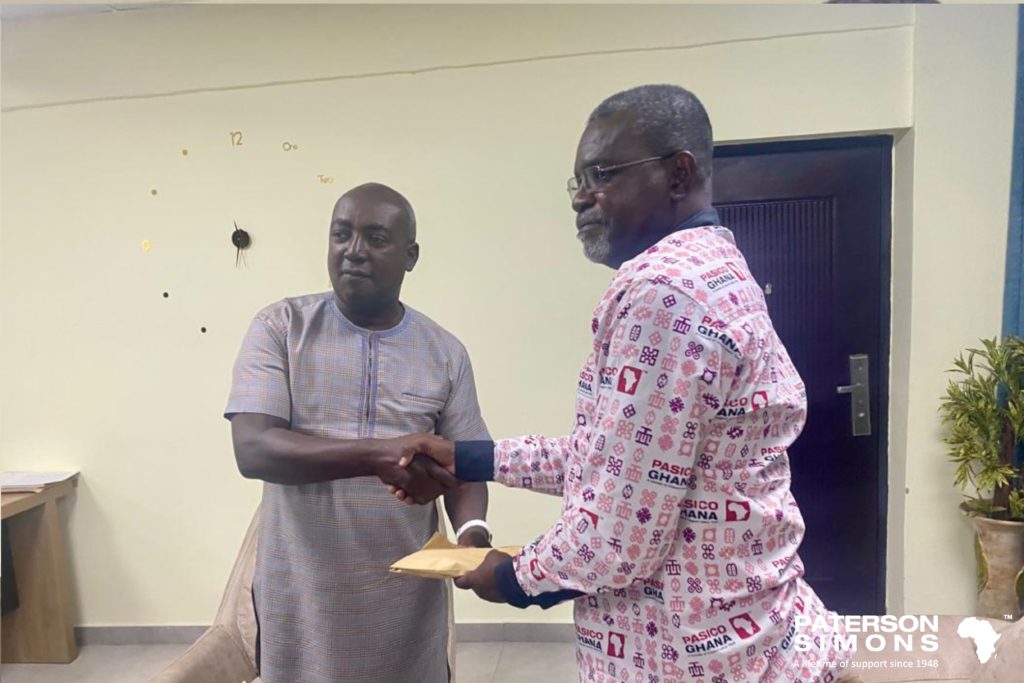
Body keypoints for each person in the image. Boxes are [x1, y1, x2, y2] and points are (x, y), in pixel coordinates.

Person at [397, 85, 852, 682]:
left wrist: (506, 577)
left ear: (678, 173)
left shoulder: (662, 292)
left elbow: (617, 535)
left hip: (687, 659)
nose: (582, 198)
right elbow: (622, 464)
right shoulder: (713, 269)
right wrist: (473, 458)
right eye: (576, 181)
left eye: (602, 173)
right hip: (750, 635)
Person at [225, 182, 491, 683]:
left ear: (411, 255)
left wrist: (472, 536)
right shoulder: (281, 328)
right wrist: (376, 456)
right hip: (300, 592)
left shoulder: (444, 353)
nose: (354, 251)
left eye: (376, 238)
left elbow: (467, 462)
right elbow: (253, 449)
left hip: (403, 596)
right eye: (341, 234)